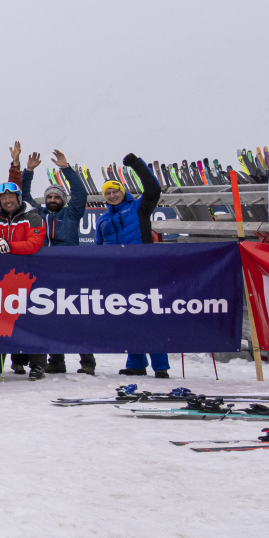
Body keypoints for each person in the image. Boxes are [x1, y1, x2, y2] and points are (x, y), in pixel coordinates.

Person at [96, 152, 166, 375]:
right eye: (108, 193)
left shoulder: (139, 208)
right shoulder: (103, 220)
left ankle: (161, 367)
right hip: (118, 275)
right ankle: (136, 364)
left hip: (144, 270)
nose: (112, 195)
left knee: (151, 318)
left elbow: (153, 190)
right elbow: (98, 250)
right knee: (128, 318)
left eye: (115, 191)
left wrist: (136, 164)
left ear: (122, 192)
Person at [0, 181, 51, 379]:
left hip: (31, 275)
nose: (7, 201)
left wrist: (7, 245)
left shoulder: (32, 217)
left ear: (18, 198)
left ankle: (38, 365)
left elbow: (33, 244)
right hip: (5, 279)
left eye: (11, 197)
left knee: (31, 319)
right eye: (3, 198)